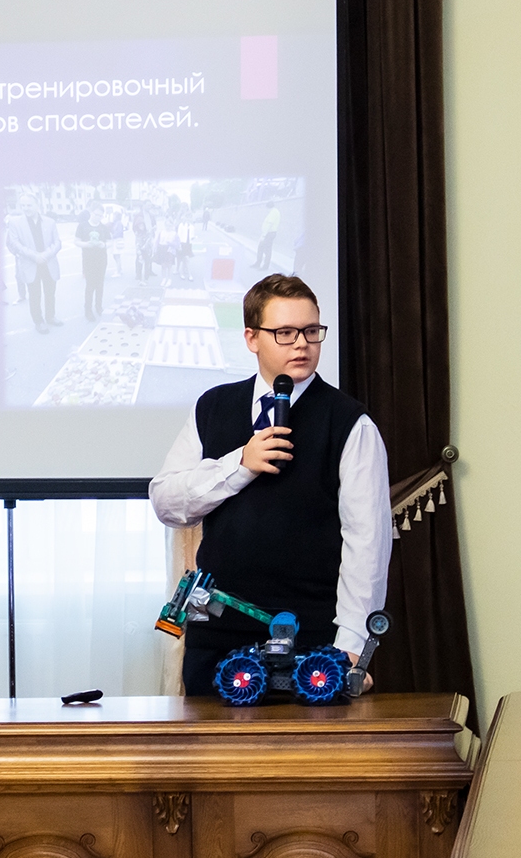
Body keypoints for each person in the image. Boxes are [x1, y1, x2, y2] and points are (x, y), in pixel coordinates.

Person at [149, 275, 391, 696]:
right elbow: (167, 503)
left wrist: (350, 647)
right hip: (216, 638)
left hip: (312, 643)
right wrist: (240, 464)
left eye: (311, 331)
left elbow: (367, 543)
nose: (302, 345)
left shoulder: (350, 423)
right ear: (251, 338)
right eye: (285, 333)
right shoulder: (213, 407)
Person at [5, 194, 63, 334]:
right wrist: (35, 256)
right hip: (31, 264)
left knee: (50, 293)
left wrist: (45, 255)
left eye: (29, 205)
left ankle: (50, 316)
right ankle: (39, 322)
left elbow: (57, 242)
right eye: (23, 205)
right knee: (34, 295)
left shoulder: (50, 222)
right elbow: (15, 243)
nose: (26, 208)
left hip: (48, 263)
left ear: (37, 205)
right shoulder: (15, 223)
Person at [74, 202, 110, 321]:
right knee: (90, 285)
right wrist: (86, 244)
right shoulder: (82, 226)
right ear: (91, 213)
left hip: (101, 259)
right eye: (96, 214)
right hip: (88, 260)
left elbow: (110, 242)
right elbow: (76, 241)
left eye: (100, 216)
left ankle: (99, 306)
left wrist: (104, 245)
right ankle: (88, 310)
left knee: (100, 285)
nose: (98, 217)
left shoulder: (104, 227)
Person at [253, 201, 281, 269]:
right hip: (269, 233)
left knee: (267, 249)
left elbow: (269, 224)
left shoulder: (273, 212)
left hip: (269, 233)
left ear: (268, 207)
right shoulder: (274, 212)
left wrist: (264, 235)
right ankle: (258, 263)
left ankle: (265, 265)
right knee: (262, 248)